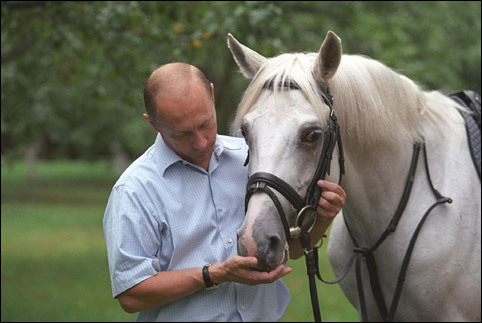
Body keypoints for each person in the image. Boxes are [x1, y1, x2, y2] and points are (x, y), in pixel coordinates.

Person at [103, 62, 346, 321]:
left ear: (211, 93)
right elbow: (131, 294)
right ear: (152, 123)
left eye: (205, 123)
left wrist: (323, 217)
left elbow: (292, 249)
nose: (201, 142)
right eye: (182, 133)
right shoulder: (135, 190)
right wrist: (214, 274)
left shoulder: (252, 159)